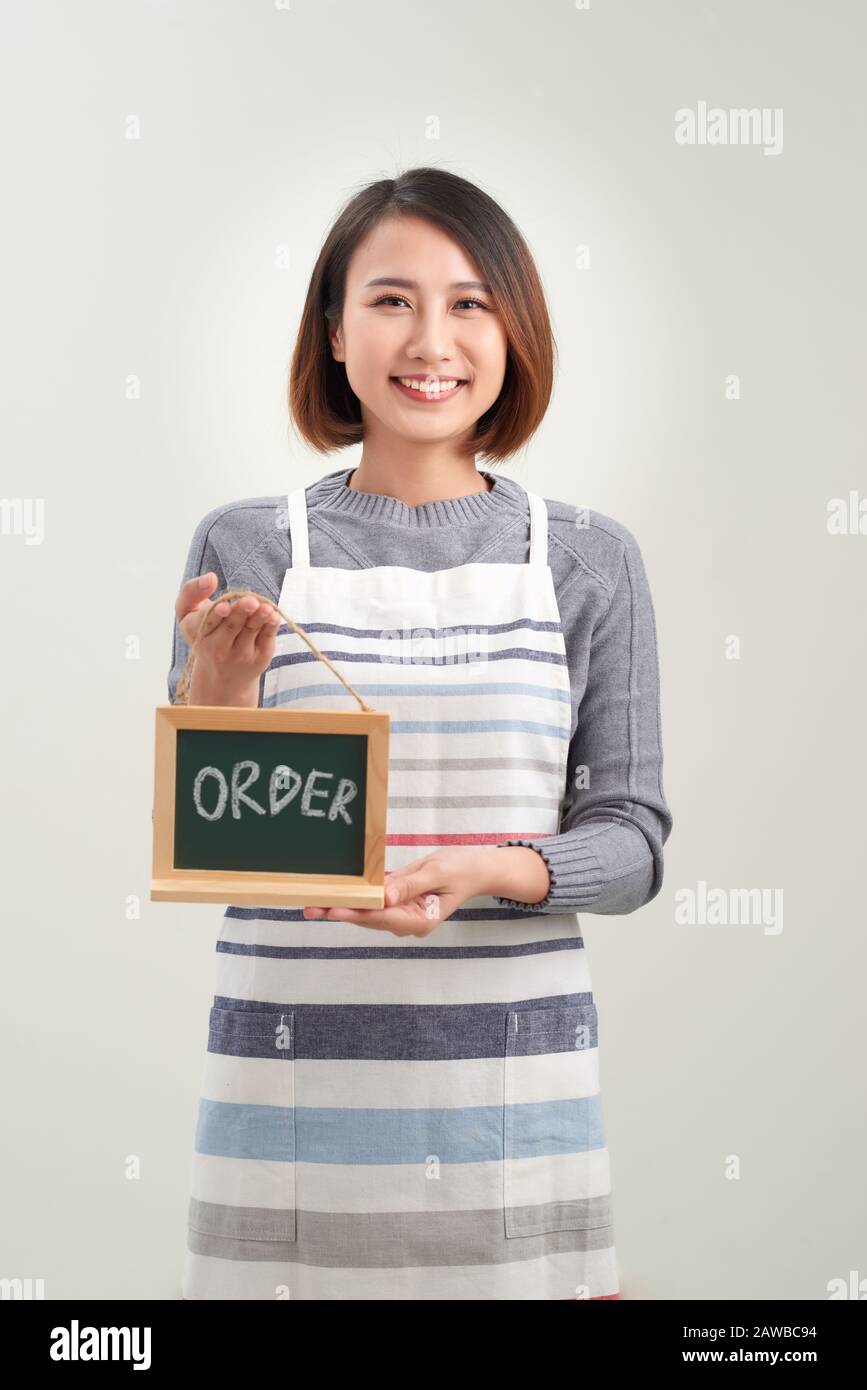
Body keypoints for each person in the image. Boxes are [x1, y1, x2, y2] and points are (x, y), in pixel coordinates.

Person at [169, 166, 673, 1300]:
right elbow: (212, 847)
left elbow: (634, 843)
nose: (430, 339)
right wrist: (218, 683)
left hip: (513, 1101)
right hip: (290, 1107)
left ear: (515, 332)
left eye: (470, 302)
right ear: (335, 331)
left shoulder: (589, 556)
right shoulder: (249, 544)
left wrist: (489, 869)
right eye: (391, 299)